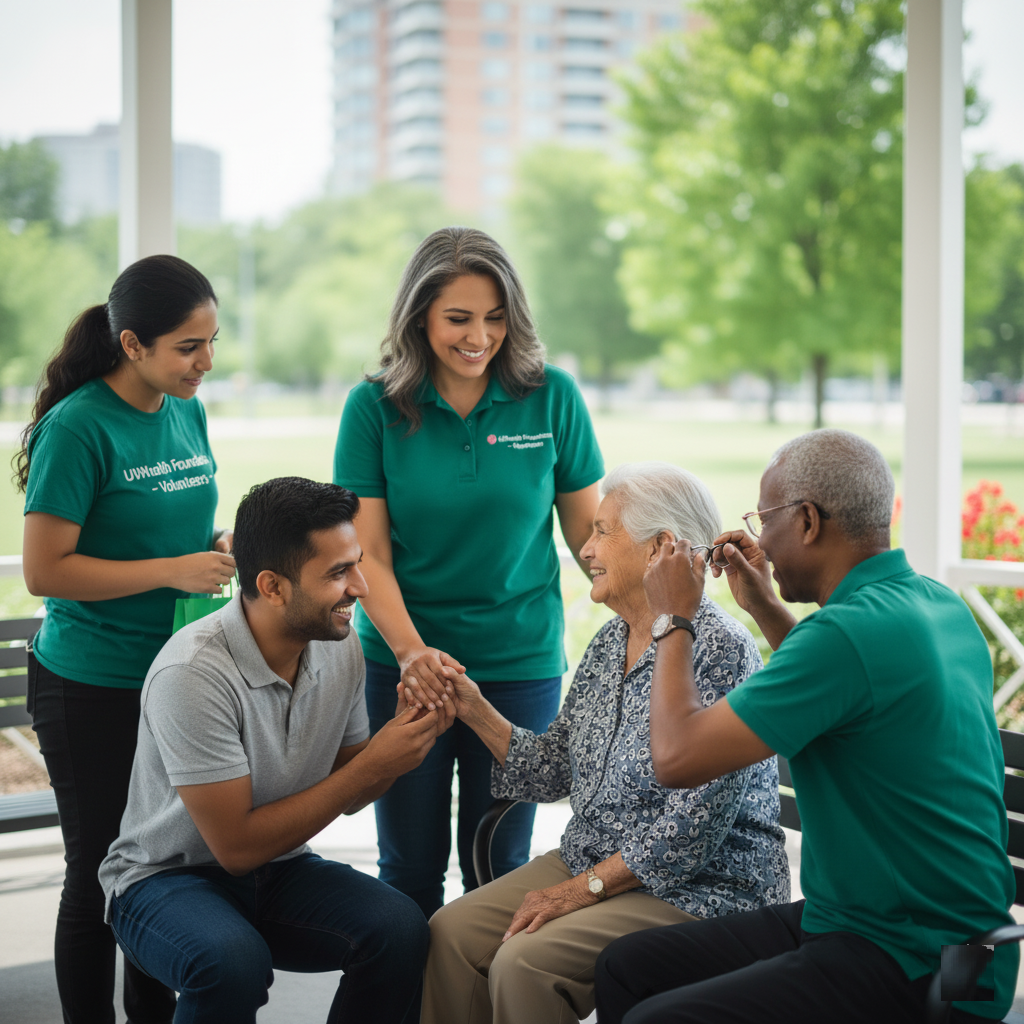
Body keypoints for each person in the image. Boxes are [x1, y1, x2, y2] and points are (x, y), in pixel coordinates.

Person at [594, 429, 1019, 1024]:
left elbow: (676, 757)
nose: (760, 537)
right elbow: (848, 692)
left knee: (655, 1018)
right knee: (626, 967)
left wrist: (674, 618)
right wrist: (765, 605)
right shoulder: (936, 603)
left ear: (808, 521)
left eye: (765, 518)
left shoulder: (843, 636)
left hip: (921, 963)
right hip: (943, 939)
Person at [418, 462, 790, 1024]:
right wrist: (472, 706)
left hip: (701, 888)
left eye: (602, 531)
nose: (584, 547)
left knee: (525, 964)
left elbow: (692, 831)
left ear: (660, 547)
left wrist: (580, 891)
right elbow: (552, 769)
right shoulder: (608, 642)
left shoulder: (720, 648)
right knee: (448, 933)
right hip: (594, 860)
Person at [333, 225, 604, 918]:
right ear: (419, 316)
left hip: (519, 667)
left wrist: (655, 596)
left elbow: (588, 536)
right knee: (409, 871)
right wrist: (413, 654)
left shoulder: (552, 397)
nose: (478, 335)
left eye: (494, 316)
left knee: (498, 869)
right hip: (405, 666)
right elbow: (369, 557)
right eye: (458, 318)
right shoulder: (374, 408)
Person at [98, 477, 436, 1024]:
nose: (360, 588)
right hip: (164, 879)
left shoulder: (340, 643)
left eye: (356, 564)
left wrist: (405, 744)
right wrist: (375, 763)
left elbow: (350, 789)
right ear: (272, 587)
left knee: (402, 928)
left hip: (278, 869)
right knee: (231, 962)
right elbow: (235, 848)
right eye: (336, 573)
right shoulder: (193, 674)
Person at [18, 254, 234, 1024]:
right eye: (188, 347)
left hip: (172, 678)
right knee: (99, 872)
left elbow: (164, 528)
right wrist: (172, 567)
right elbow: (45, 570)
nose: (205, 362)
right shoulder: (78, 427)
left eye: (212, 341)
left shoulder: (188, 410)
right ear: (132, 344)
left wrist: (212, 544)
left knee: (161, 869)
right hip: (90, 684)